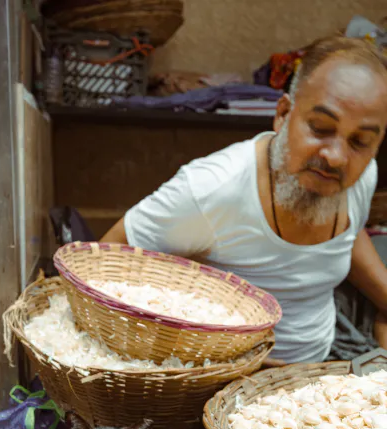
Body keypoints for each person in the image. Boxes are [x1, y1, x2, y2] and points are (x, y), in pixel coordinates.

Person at [101, 35, 387, 364]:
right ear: (283, 114)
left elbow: (348, 236)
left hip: (326, 362)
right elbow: (106, 270)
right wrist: (207, 358)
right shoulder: (212, 189)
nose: (337, 157)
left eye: (360, 141)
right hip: (226, 380)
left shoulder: (361, 176)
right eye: (320, 128)